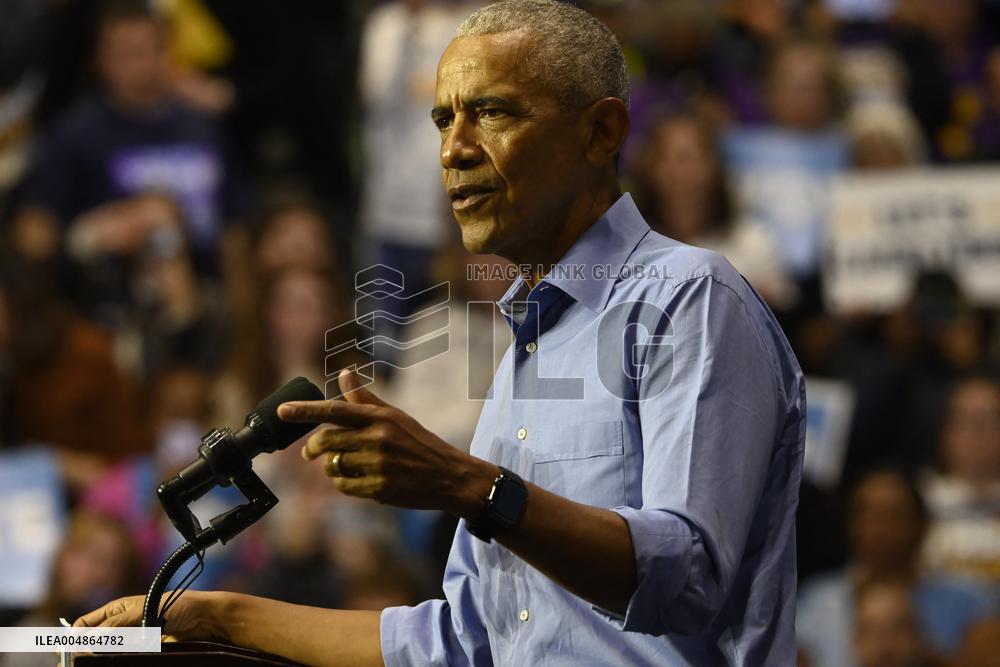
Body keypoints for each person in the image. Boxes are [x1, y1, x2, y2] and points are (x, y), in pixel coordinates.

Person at [77, 2, 806, 664]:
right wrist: (214, 616)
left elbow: (688, 576)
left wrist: (463, 481)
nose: (453, 150)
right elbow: (460, 638)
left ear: (601, 131)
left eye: (491, 113)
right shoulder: (530, 343)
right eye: (440, 121)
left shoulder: (691, 301)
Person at [797, 469, 992, 667]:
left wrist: (924, 657)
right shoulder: (816, 604)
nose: (880, 529)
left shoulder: (971, 604)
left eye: (894, 515)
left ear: (921, 524)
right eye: (867, 514)